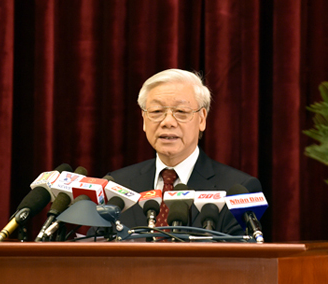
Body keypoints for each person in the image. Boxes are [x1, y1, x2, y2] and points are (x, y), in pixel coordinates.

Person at [108, 69, 262, 235]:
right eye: (156, 112)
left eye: (181, 112)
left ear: (202, 119)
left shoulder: (238, 189)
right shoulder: (117, 185)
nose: (168, 122)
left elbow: (242, 257)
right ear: (144, 119)